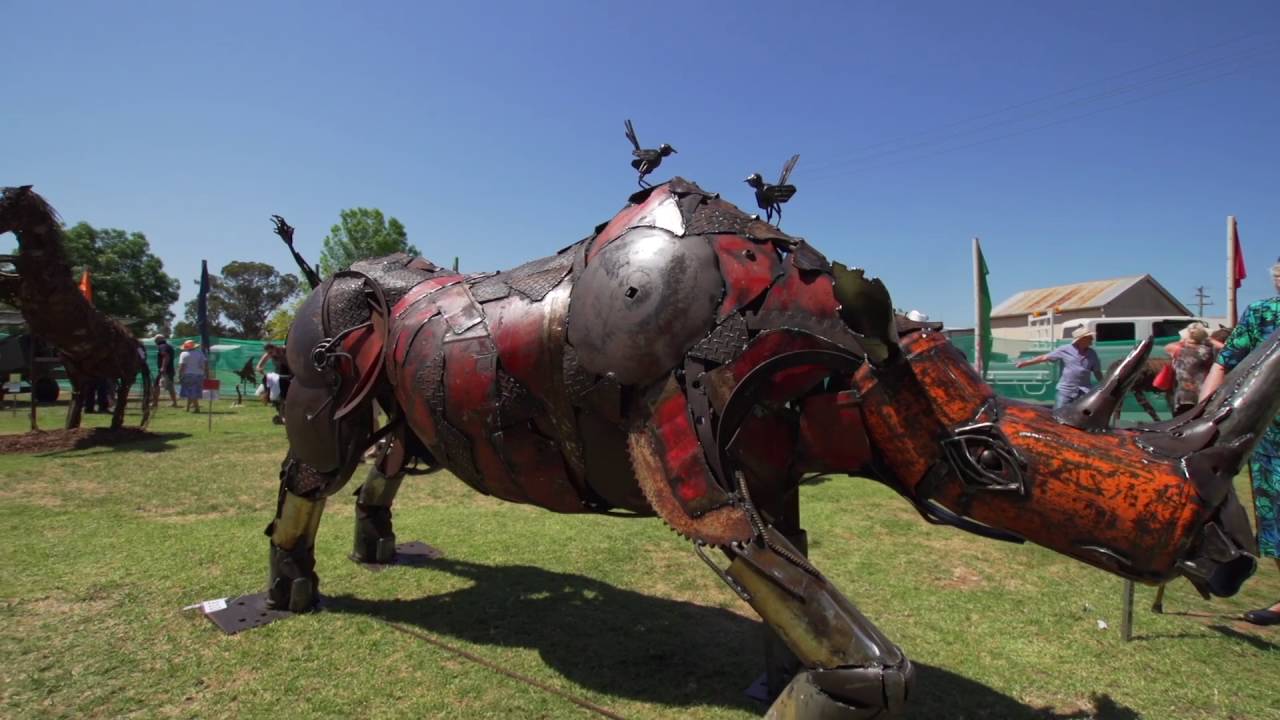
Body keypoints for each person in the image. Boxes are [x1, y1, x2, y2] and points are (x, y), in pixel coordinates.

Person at [1199, 260, 1280, 626]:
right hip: (1271, 436)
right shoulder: (1264, 314)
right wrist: (1203, 417)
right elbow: (1224, 362)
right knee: (1275, 516)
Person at [1015, 326, 1103, 408]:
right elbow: (1044, 357)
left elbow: (1097, 371)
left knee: (1080, 417)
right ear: (1081, 339)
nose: (1092, 339)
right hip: (1065, 391)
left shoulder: (1092, 353)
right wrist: (1025, 363)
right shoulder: (1064, 349)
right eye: (1090, 337)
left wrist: (1104, 384)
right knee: (1058, 415)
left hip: (1084, 391)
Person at [1163, 323, 1216, 415]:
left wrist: (1183, 341)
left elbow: (1166, 347)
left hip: (1182, 395)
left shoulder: (1177, 349)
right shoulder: (1208, 351)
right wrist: (1208, 340)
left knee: (1179, 420)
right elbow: (1221, 346)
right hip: (1202, 394)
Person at [256, 343, 291, 424]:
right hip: (278, 377)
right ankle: (283, 417)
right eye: (268, 353)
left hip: (290, 375)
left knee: (287, 398)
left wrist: (282, 357)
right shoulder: (269, 354)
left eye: (271, 352)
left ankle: (286, 416)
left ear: (275, 347)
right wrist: (260, 369)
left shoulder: (286, 350)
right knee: (281, 399)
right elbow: (258, 366)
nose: (270, 354)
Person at [178, 340, 207, 413]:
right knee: (193, 392)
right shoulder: (200, 353)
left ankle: (197, 408)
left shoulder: (183, 354)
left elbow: (182, 366)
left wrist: (180, 375)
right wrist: (206, 374)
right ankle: (188, 408)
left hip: (188, 374)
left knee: (190, 392)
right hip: (199, 374)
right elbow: (204, 364)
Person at [152, 335, 178, 408]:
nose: (155, 343)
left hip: (165, 370)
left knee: (157, 386)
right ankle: (174, 402)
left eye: (155, 341)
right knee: (169, 386)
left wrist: (163, 367)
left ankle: (155, 403)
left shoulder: (162, 346)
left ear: (157, 341)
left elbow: (166, 356)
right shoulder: (169, 346)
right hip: (170, 369)